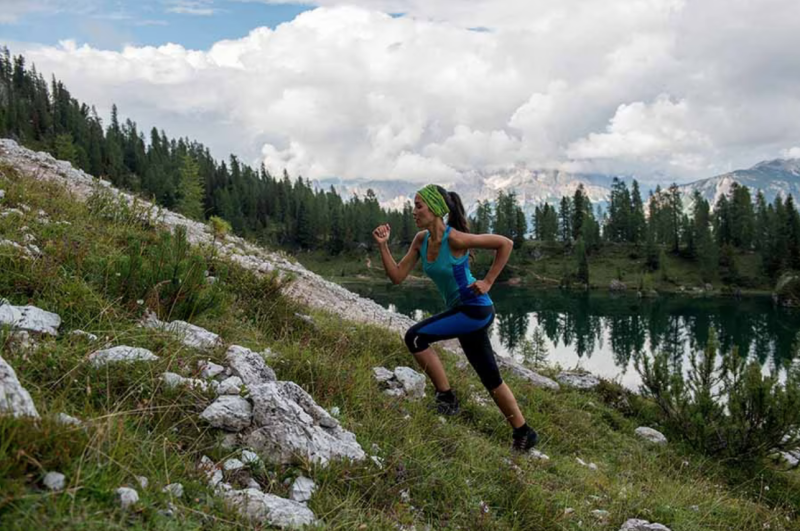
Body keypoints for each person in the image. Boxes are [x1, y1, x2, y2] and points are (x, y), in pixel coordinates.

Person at [372, 184, 539, 452]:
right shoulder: (421, 240)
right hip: (463, 312)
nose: (413, 211)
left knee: (415, 337)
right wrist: (383, 246)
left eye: (418, 206)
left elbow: (504, 244)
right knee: (490, 377)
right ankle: (524, 432)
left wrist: (488, 281)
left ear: (435, 208)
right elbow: (397, 276)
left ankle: (447, 399)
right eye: (414, 206)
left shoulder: (455, 239)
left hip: (474, 309)